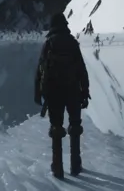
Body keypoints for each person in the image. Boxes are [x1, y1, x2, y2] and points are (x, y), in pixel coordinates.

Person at [34, 13, 90, 179]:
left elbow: (40, 70)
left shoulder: (48, 44)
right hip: (73, 91)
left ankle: (57, 168)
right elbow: (81, 69)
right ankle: (75, 165)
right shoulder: (72, 43)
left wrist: (37, 94)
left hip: (53, 93)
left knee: (56, 128)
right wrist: (85, 92)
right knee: (75, 127)